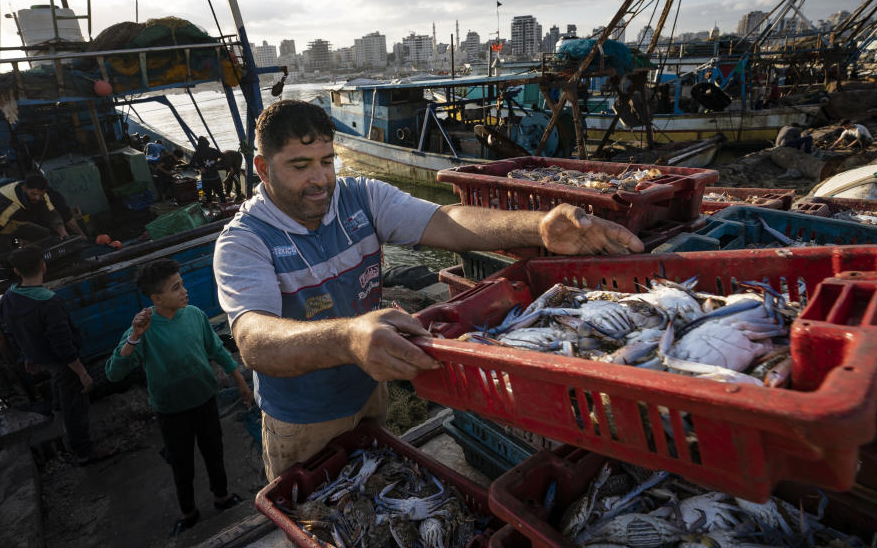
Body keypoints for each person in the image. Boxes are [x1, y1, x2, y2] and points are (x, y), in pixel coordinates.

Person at [213, 100, 644, 480]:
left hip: (370, 388)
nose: (321, 179)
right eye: (300, 166)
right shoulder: (244, 241)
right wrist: (348, 338)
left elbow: (447, 221)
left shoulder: (359, 198)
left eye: (327, 160)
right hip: (302, 419)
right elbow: (254, 340)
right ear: (263, 169)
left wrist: (540, 227)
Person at [105, 259, 252, 536]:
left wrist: (240, 380)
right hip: (171, 411)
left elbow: (217, 350)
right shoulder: (144, 328)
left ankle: (221, 497)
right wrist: (134, 336)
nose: (184, 291)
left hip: (205, 400)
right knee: (181, 464)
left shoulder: (195, 315)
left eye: (182, 284)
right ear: (156, 298)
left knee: (214, 452)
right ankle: (189, 513)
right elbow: (114, 373)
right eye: (176, 287)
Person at [0, 246, 117, 466]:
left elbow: (13, 331)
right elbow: (63, 345)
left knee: (60, 392)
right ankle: (83, 451)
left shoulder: (8, 297)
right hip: (62, 363)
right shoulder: (48, 302)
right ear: (44, 265)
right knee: (75, 404)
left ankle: (60, 425)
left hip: (40, 358)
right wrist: (82, 372)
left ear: (16, 271)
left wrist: (28, 355)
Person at [0, 173, 69, 270]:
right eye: (34, 194)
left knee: (44, 234)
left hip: (14, 221)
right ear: (24, 188)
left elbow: (51, 214)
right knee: (8, 257)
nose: (37, 198)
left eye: (41, 195)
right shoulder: (9, 206)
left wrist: (61, 229)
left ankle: (41, 264)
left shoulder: (42, 197)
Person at [190, 136, 227, 208]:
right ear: (207, 143)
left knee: (208, 196)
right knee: (221, 193)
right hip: (215, 176)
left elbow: (191, 164)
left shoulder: (197, 153)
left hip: (205, 178)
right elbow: (223, 156)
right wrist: (217, 163)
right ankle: (225, 208)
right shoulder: (213, 150)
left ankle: (210, 212)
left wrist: (200, 168)